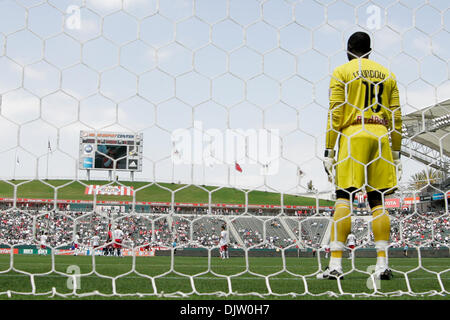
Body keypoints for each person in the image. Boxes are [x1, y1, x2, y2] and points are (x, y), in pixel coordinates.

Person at [319, 31, 402, 281]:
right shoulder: (388, 74)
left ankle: (335, 266)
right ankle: (382, 265)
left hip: (352, 133)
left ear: (348, 49)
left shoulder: (342, 72)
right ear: (370, 50)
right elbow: (397, 116)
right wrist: (396, 151)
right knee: (377, 201)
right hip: (379, 135)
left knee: (344, 196)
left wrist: (329, 149)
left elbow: (336, 112)